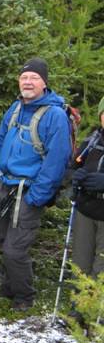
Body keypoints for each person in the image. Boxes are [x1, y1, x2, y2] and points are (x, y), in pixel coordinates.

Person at [0, 57, 72, 311]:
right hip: (3, 185)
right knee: (3, 240)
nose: (28, 82)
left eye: (34, 78)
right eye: (24, 77)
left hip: (28, 191)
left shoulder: (55, 116)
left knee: (15, 249)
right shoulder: (15, 108)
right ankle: (10, 288)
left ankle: (24, 297)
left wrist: (37, 196)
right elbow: (0, 142)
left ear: (44, 83)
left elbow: (57, 160)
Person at [71, 96, 104, 277]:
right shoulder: (92, 140)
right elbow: (74, 166)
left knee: (101, 271)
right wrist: (76, 176)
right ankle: (77, 297)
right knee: (79, 267)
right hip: (86, 209)